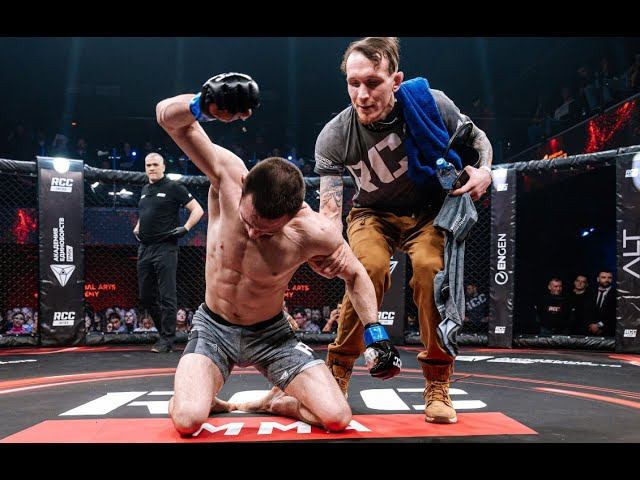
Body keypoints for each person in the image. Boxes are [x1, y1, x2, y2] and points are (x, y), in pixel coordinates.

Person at [155, 72, 401, 436]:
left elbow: (356, 274)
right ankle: (201, 396)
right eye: (248, 221)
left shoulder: (312, 231)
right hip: (213, 328)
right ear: (244, 188)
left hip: (272, 335)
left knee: (337, 417)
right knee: (188, 419)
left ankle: (278, 401)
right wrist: (200, 105)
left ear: (294, 215)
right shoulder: (227, 176)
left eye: (267, 231)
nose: (254, 233)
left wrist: (375, 332)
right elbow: (166, 117)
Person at [314, 37, 493, 424]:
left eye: (373, 82)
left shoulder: (431, 103)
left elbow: (477, 138)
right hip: (371, 214)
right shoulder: (334, 135)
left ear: (395, 81)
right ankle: (337, 371)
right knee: (366, 269)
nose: (362, 95)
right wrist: (327, 250)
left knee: (431, 272)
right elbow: (329, 212)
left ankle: (438, 381)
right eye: (353, 83)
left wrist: (484, 170)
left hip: (429, 212)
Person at [133, 152, 204, 352]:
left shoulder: (174, 187)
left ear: (163, 166)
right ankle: (163, 332)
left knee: (167, 295)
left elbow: (197, 210)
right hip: (144, 247)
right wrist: (138, 226)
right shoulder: (145, 189)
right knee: (145, 296)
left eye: (155, 164)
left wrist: (186, 228)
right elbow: (146, 212)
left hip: (165, 246)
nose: (151, 168)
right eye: (148, 165)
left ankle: (167, 339)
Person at [588, 270, 616, 337]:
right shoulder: (590, 292)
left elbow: (615, 315)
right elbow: (586, 311)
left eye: (609, 278)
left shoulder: (617, 294)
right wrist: (591, 326)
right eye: (603, 277)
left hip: (608, 332)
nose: (607, 280)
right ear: (598, 279)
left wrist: (599, 325)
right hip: (589, 330)